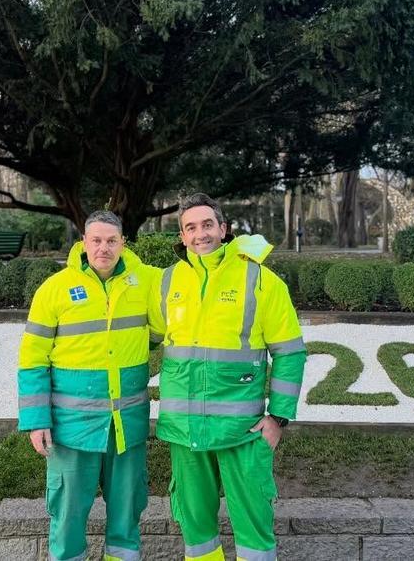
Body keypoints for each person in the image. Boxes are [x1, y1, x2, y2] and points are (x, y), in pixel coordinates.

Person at [150, 193, 307, 561]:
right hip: (185, 430)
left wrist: (278, 417)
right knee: (197, 530)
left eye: (207, 225)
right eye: (191, 227)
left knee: (253, 526)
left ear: (224, 229)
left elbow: (290, 351)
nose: (200, 233)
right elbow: (146, 338)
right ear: (182, 236)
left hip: (244, 430)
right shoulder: (167, 281)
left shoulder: (261, 280)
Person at [17, 210, 161, 561]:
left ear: (123, 243)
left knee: (127, 517)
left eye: (112, 241)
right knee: (67, 516)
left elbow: (159, 332)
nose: (103, 248)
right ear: (83, 242)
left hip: (127, 425)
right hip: (71, 429)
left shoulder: (148, 281)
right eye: (96, 240)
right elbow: (33, 359)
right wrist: (36, 420)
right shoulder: (54, 289)